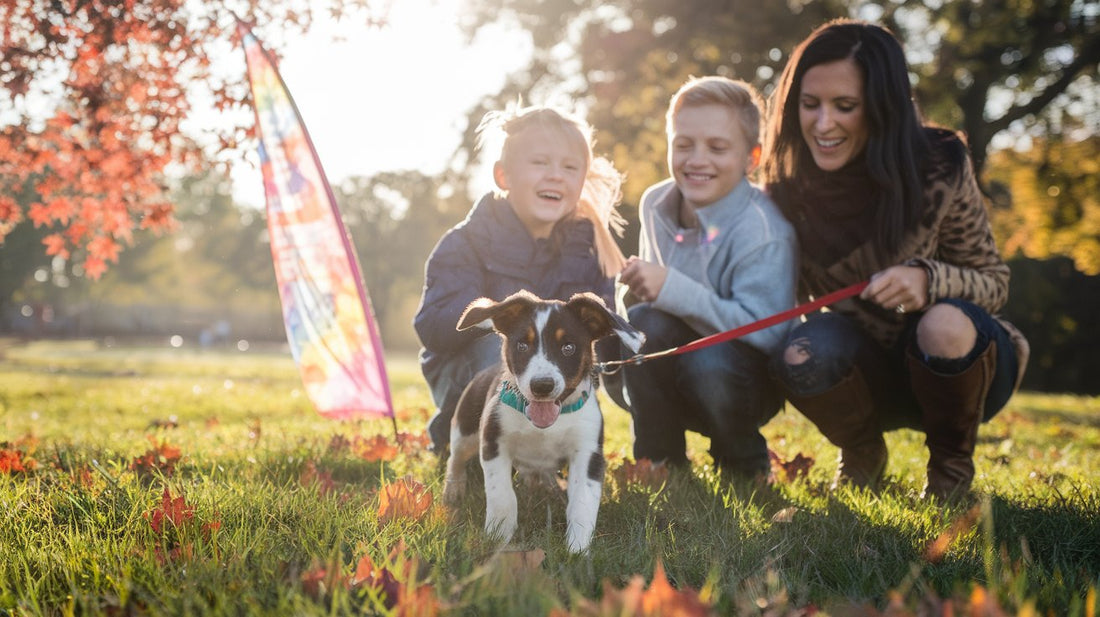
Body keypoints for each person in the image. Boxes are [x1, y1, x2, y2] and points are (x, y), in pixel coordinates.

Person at [761, 19, 1029, 501]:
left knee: (944, 324)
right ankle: (862, 452)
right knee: (796, 347)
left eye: (845, 106)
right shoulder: (784, 192)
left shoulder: (940, 164)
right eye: (809, 104)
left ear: (882, 108)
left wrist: (928, 281)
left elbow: (994, 282)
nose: (824, 124)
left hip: (960, 363)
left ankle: (950, 471)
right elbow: (778, 305)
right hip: (863, 375)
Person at [414, 104, 628, 453]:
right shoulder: (466, 242)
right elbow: (433, 327)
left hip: (552, 390)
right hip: (471, 376)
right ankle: (465, 437)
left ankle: (551, 449)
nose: (556, 175)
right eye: (540, 162)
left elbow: (603, 347)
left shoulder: (590, 252)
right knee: (504, 350)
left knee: (570, 357)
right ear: (504, 176)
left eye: (570, 167)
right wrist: (501, 317)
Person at [619, 76, 798, 480]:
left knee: (709, 355)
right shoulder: (655, 204)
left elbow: (768, 332)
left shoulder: (764, 230)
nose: (697, 159)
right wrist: (636, 287)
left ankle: (743, 461)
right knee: (643, 324)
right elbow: (656, 305)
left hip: (744, 378)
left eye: (717, 148)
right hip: (678, 360)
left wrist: (673, 289)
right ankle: (659, 460)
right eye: (684, 144)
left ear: (751, 157)